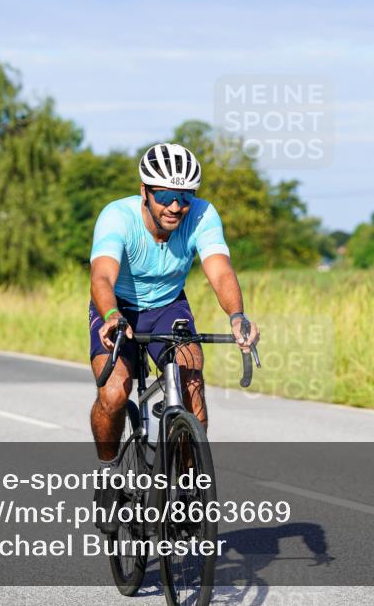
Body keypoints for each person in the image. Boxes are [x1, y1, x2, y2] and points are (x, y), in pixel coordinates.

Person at [88, 142, 260, 533]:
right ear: (145, 191)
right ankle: (109, 472)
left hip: (168, 305)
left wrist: (237, 316)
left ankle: (184, 490)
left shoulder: (202, 216)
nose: (175, 206)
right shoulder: (118, 217)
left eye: (184, 197)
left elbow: (219, 271)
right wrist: (111, 315)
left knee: (192, 390)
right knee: (114, 394)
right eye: (165, 195)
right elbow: (102, 276)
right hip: (118, 306)